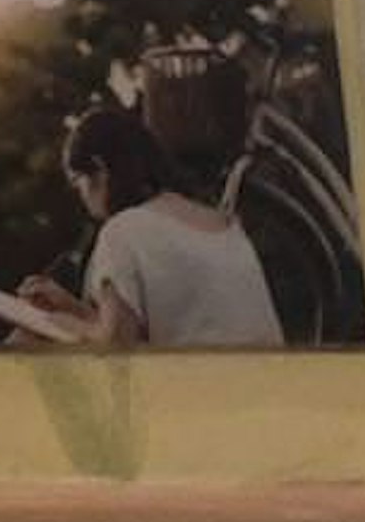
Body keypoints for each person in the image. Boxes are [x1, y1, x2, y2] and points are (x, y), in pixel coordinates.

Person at [18, 104, 286, 350]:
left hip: (203, 393)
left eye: (77, 183)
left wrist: (53, 322)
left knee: (24, 343)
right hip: (267, 386)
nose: (82, 198)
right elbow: (145, 333)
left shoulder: (122, 230)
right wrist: (71, 307)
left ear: (100, 170)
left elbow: (116, 349)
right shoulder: (221, 222)